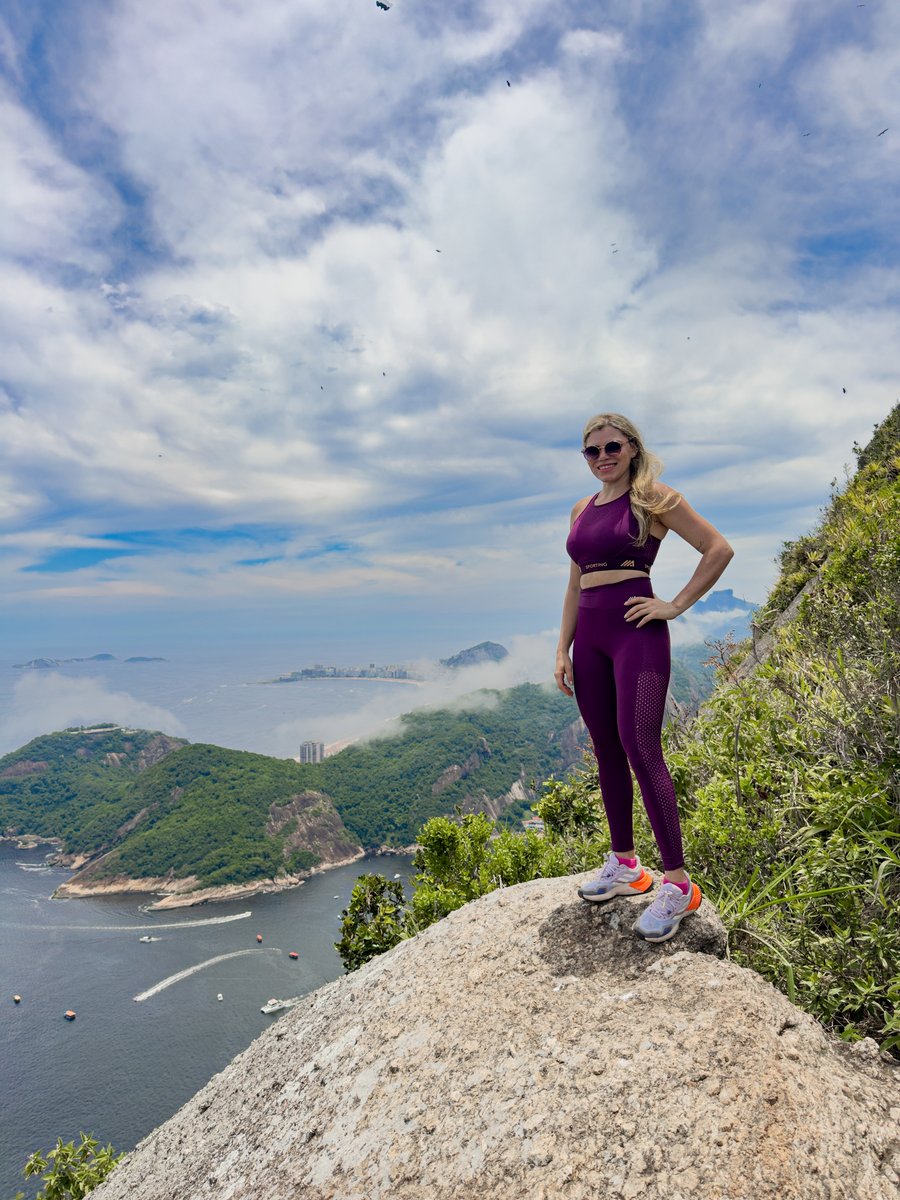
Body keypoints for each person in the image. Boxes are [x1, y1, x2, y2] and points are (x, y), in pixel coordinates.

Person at [554, 413, 733, 942]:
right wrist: (561, 648)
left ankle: (678, 885)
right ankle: (627, 866)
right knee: (606, 749)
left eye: (611, 446)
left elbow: (717, 548)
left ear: (632, 447)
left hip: (637, 632)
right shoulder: (580, 510)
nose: (602, 456)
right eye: (591, 451)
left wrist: (674, 604)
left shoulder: (654, 497)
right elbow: (573, 586)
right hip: (589, 637)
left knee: (641, 746)